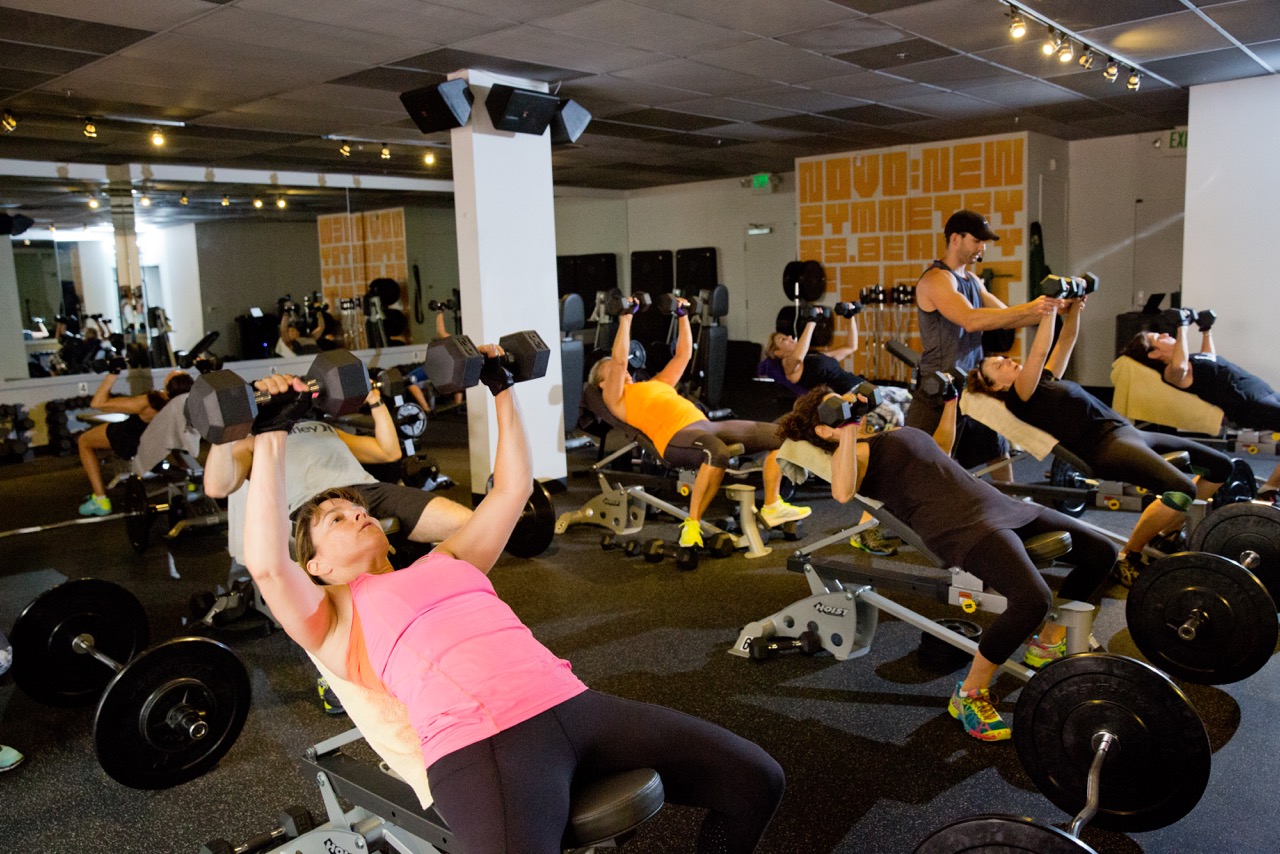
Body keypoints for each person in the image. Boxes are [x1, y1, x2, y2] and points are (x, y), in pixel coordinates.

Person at [242, 347, 786, 853]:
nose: (358, 512)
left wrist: (502, 389)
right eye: (336, 519)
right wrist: (272, 433)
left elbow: (513, 489)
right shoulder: (334, 618)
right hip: (484, 747)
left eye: (357, 508)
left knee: (757, 780)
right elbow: (266, 564)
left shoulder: (448, 559)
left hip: (575, 704)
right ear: (315, 567)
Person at [778, 385, 1116, 742]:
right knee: (1032, 600)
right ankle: (969, 694)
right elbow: (843, 491)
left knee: (1102, 552)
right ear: (824, 429)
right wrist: (845, 432)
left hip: (997, 504)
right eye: (837, 405)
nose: (848, 402)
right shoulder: (850, 454)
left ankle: (1047, 642)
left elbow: (941, 448)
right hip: (962, 527)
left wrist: (951, 402)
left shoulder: (885, 434)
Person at [203, 367, 473, 713]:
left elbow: (388, 451)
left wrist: (374, 399)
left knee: (468, 526)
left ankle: (442, 625)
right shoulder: (254, 440)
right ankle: (337, 667)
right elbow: (217, 486)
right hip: (314, 510)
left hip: (366, 494)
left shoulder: (326, 428)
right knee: (344, 592)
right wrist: (228, 426)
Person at [967, 297, 1233, 586]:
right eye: (999, 365)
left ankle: (1167, 532)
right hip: (1106, 447)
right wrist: (1050, 307)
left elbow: (1066, 340)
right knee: (1182, 489)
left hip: (1129, 433)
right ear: (998, 386)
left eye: (1003, 358)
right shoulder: (1019, 399)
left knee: (1221, 467)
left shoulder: (1045, 380)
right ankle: (1129, 555)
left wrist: (1075, 308)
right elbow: (1040, 350)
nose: (1007, 360)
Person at [591, 296, 810, 549]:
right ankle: (692, 525)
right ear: (603, 384)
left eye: (620, 369)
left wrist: (683, 316)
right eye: (611, 371)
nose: (622, 370)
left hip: (706, 426)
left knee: (784, 435)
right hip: (675, 437)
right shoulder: (615, 398)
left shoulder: (656, 383)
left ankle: (772, 505)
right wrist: (626, 317)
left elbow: (683, 355)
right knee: (716, 451)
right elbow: (619, 360)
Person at [907, 209, 1063, 480]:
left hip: (973, 386)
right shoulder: (936, 280)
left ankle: (1013, 500)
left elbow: (1008, 317)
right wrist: (1034, 307)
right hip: (939, 388)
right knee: (915, 462)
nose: (983, 248)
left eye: (984, 242)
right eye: (977, 241)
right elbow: (970, 319)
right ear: (955, 239)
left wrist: (1057, 306)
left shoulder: (973, 281)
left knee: (996, 448)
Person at [1120, 319, 1280, 502]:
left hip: (1263, 392)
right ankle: (1270, 488)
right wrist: (1181, 327)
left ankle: (1270, 488)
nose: (1165, 334)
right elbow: (1179, 366)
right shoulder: (1172, 373)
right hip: (1250, 405)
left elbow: (1210, 358)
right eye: (1158, 337)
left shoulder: (1191, 360)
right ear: (1154, 354)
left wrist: (1206, 330)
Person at [76, 368, 194, 516]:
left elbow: (97, 403)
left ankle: (100, 500)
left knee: (84, 441)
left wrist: (113, 373)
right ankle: (193, 478)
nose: (173, 370)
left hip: (130, 440)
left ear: (169, 385)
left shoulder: (150, 402)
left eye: (174, 374)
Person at [761, 316, 862, 396]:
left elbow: (851, 347)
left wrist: (850, 316)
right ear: (778, 352)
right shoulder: (787, 364)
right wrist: (811, 322)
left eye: (787, 336)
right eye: (783, 340)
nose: (789, 337)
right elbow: (798, 357)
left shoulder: (815, 355)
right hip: (848, 397)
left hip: (860, 385)